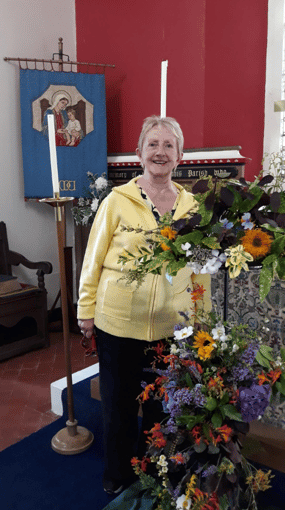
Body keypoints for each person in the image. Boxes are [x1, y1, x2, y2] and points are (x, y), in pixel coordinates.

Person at [76, 116, 210, 496]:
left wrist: (202, 319)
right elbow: (93, 259)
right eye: (153, 144)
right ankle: (118, 474)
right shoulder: (116, 201)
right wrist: (86, 310)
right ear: (139, 153)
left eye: (169, 146)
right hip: (118, 324)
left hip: (173, 326)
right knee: (118, 406)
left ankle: (152, 468)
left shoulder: (193, 206)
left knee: (161, 407)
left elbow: (201, 269)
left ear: (180, 156)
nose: (160, 152)